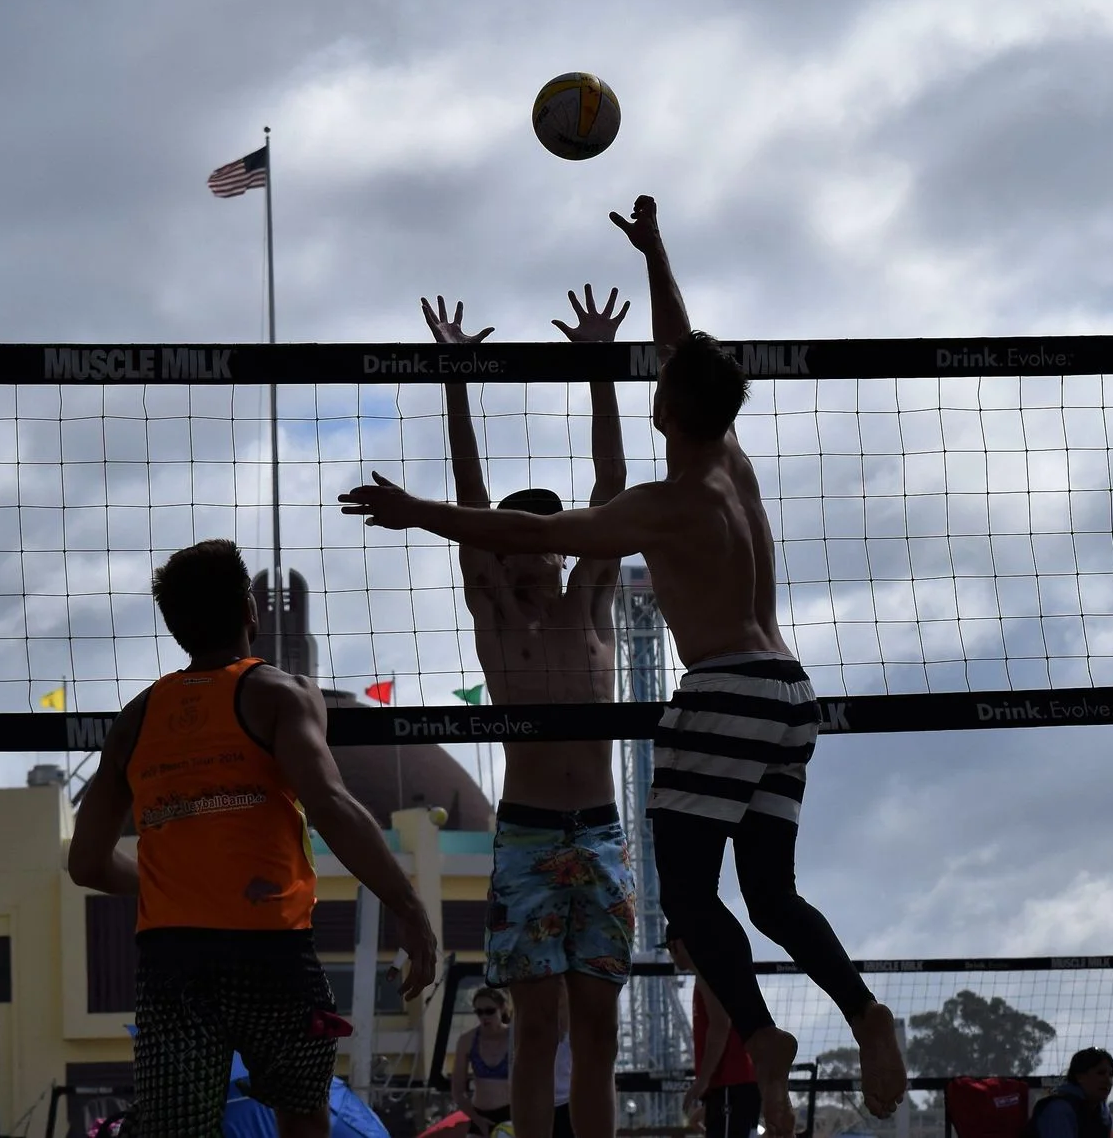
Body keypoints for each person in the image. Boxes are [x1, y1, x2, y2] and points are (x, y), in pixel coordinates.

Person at [343, 197, 904, 1138]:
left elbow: (563, 504)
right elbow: (680, 353)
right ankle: (854, 1010)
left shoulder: (637, 533)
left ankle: (759, 1033)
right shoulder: (727, 463)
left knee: (681, 908)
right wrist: (653, 256)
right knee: (765, 897)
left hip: (690, 727)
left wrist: (415, 510)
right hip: (781, 697)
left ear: (665, 406)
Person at [68, 539, 440, 1138]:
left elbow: (86, 864)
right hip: (269, 948)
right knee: (302, 1111)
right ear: (250, 610)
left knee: (176, 1131)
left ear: (174, 626)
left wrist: (172, 888)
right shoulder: (281, 694)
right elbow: (331, 806)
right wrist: (409, 908)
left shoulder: (135, 718)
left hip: (171, 960)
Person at [424, 286, 635, 1138]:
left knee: (598, 1031)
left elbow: (612, 486)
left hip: (600, 831)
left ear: (560, 546)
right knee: (538, 1029)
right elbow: (471, 499)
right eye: (505, 539)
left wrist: (599, 367)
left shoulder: (590, 601)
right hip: (527, 834)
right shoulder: (498, 615)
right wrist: (455, 376)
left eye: (531, 538)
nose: (516, 550)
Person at [674, 940, 759, 1138]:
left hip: (730, 1082)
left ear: (680, 945)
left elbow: (721, 1024)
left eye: (672, 948)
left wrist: (702, 1081)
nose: (672, 955)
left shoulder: (709, 973)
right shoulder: (711, 973)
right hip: (728, 1086)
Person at [452, 987, 516, 1136]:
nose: (484, 1017)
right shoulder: (467, 1040)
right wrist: (478, 1120)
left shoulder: (515, 1038)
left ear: (502, 1008)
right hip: (479, 1115)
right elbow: (458, 1091)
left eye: (490, 1011)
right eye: (479, 1012)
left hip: (511, 1115)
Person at [1030, 1050, 1113, 1138]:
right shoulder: (1059, 1110)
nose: (1108, 1080)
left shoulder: (1103, 1111)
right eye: (1100, 1073)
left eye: (1111, 1074)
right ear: (1080, 1077)